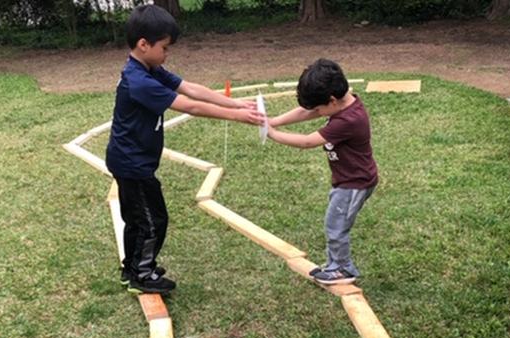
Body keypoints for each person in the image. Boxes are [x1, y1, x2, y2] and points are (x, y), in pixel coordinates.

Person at [106, 5, 263, 294]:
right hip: (132, 164)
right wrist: (236, 116)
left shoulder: (149, 69)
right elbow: (189, 105)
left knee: (138, 218)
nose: (167, 54)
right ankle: (142, 274)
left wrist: (235, 103)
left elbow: (190, 88)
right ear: (144, 44)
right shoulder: (140, 82)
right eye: (165, 48)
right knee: (153, 220)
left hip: (130, 160)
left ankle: (133, 266)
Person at [267, 59, 378, 285]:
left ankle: (344, 269)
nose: (316, 112)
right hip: (346, 180)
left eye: (319, 107)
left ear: (331, 100)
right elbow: (308, 112)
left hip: (355, 183)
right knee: (335, 221)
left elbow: (308, 142)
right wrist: (274, 121)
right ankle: (335, 264)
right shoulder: (342, 103)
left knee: (335, 226)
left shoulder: (348, 119)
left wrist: (272, 134)